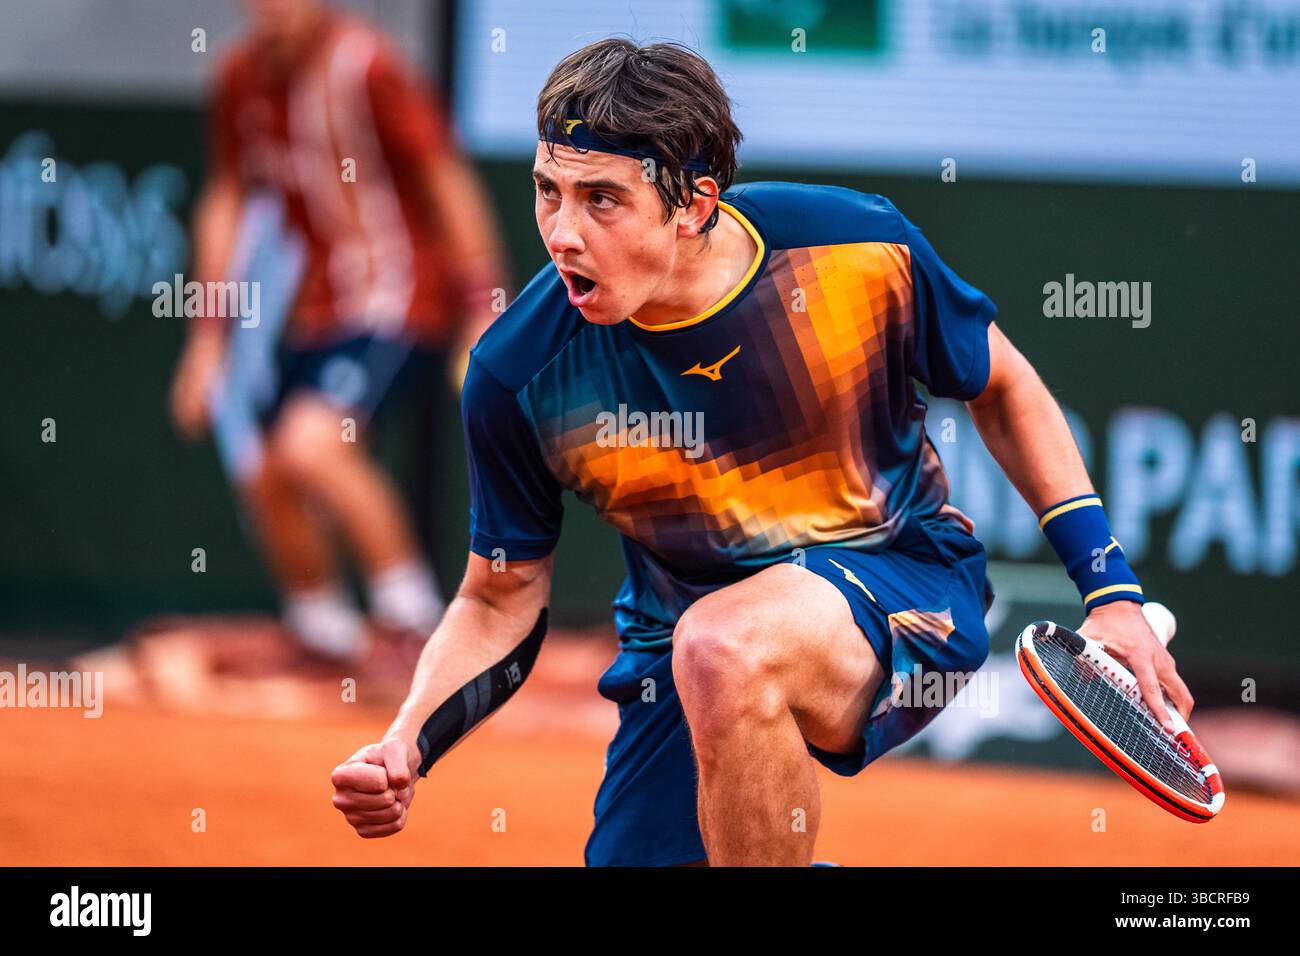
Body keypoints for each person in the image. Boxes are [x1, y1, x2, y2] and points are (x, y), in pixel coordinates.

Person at [330, 38, 1193, 865]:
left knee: (723, 645)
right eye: (548, 191)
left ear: (695, 204)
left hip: (905, 587)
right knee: (705, 659)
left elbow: (1002, 386)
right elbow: (495, 600)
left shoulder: (858, 251)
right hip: (677, 646)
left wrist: (1111, 591)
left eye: (602, 199)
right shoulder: (518, 373)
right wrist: (408, 740)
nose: (562, 233)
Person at [169, 0, 508, 665]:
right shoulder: (240, 76)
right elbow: (228, 194)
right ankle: (323, 632)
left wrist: (482, 303)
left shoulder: (368, 66)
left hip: (399, 300)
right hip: (317, 311)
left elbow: (443, 173)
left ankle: (413, 626)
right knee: (266, 474)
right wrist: (207, 340)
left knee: (312, 447)